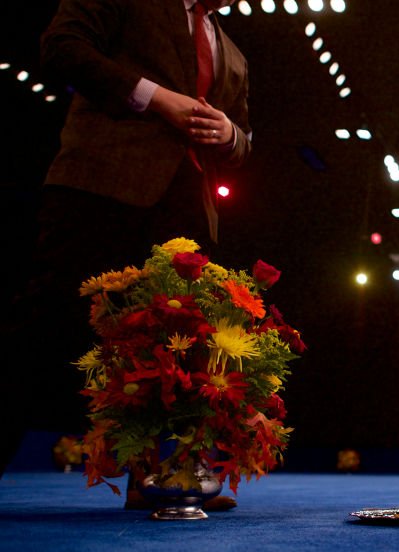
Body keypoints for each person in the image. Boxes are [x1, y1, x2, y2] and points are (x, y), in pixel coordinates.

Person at [1, 0, 251, 493]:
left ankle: (160, 478)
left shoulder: (235, 54)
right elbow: (61, 49)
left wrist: (229, 135)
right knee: (46, 324)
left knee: (174, 352)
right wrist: (157, 97)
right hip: (99, 190)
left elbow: (245, 138)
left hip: (188, 214)